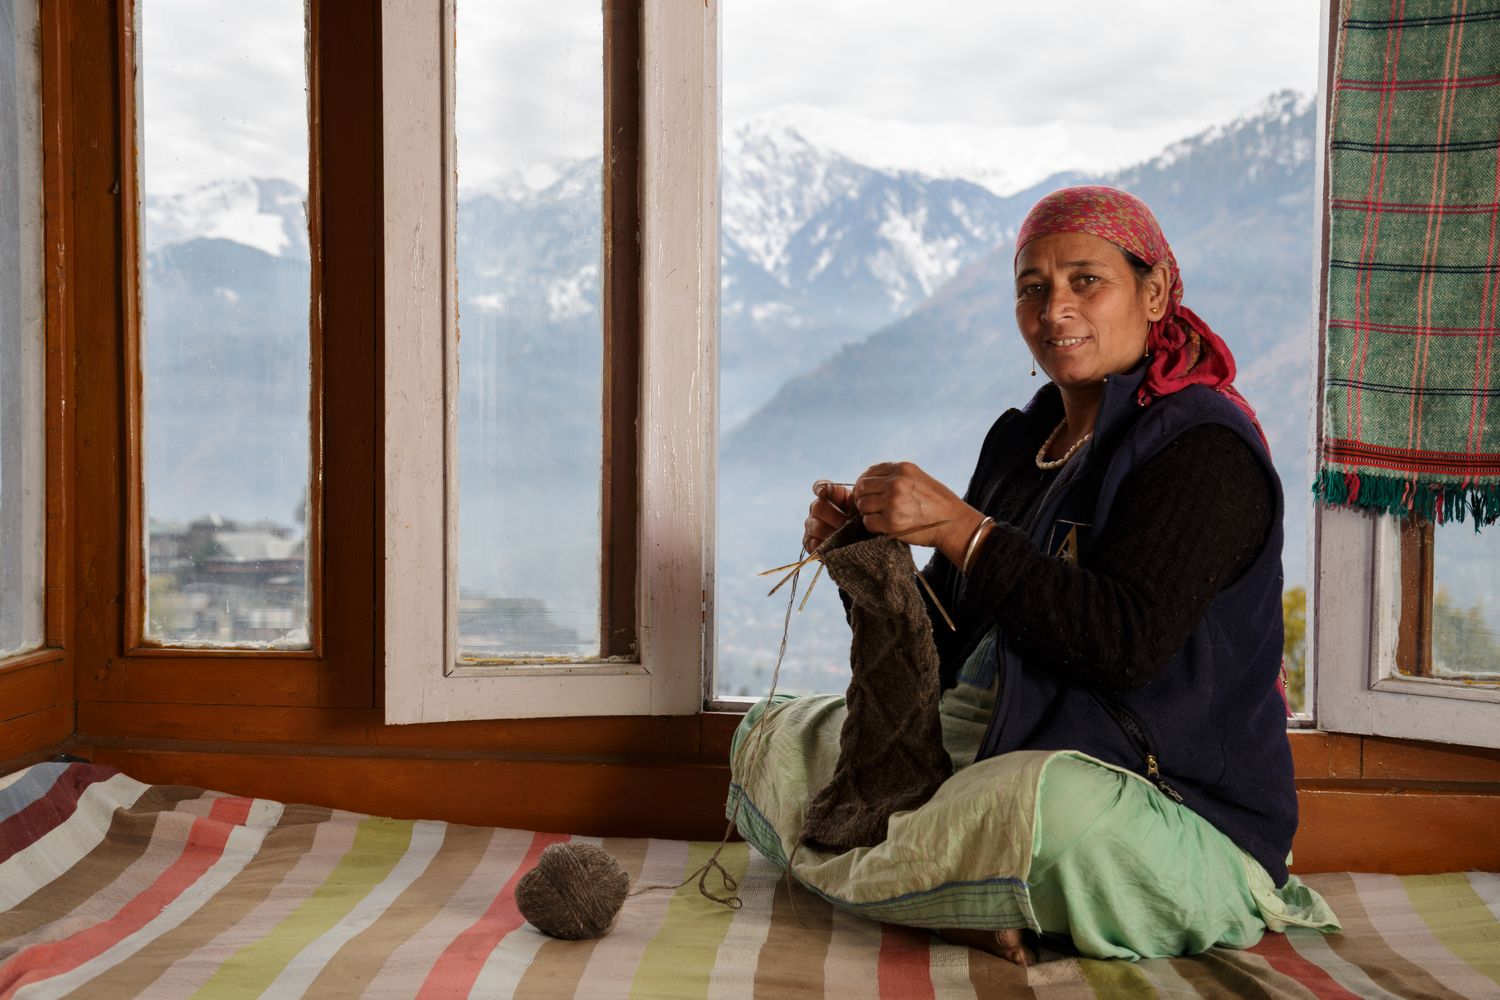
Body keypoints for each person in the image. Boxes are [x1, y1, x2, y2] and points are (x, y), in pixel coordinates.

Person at [747, 185, 1336, 963]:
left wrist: (964, 528)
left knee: (1039, 811)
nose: (1055, 308)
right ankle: (954, 889)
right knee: (775, 735)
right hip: (997, 739)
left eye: (1086, 280)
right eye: (1033, 288)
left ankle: (917, 877)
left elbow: (1124, 644)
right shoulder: (1022, 446)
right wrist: (866, 564)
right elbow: (946, 645)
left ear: (1154, 291)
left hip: (1160, 799)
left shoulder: (1203, 450)